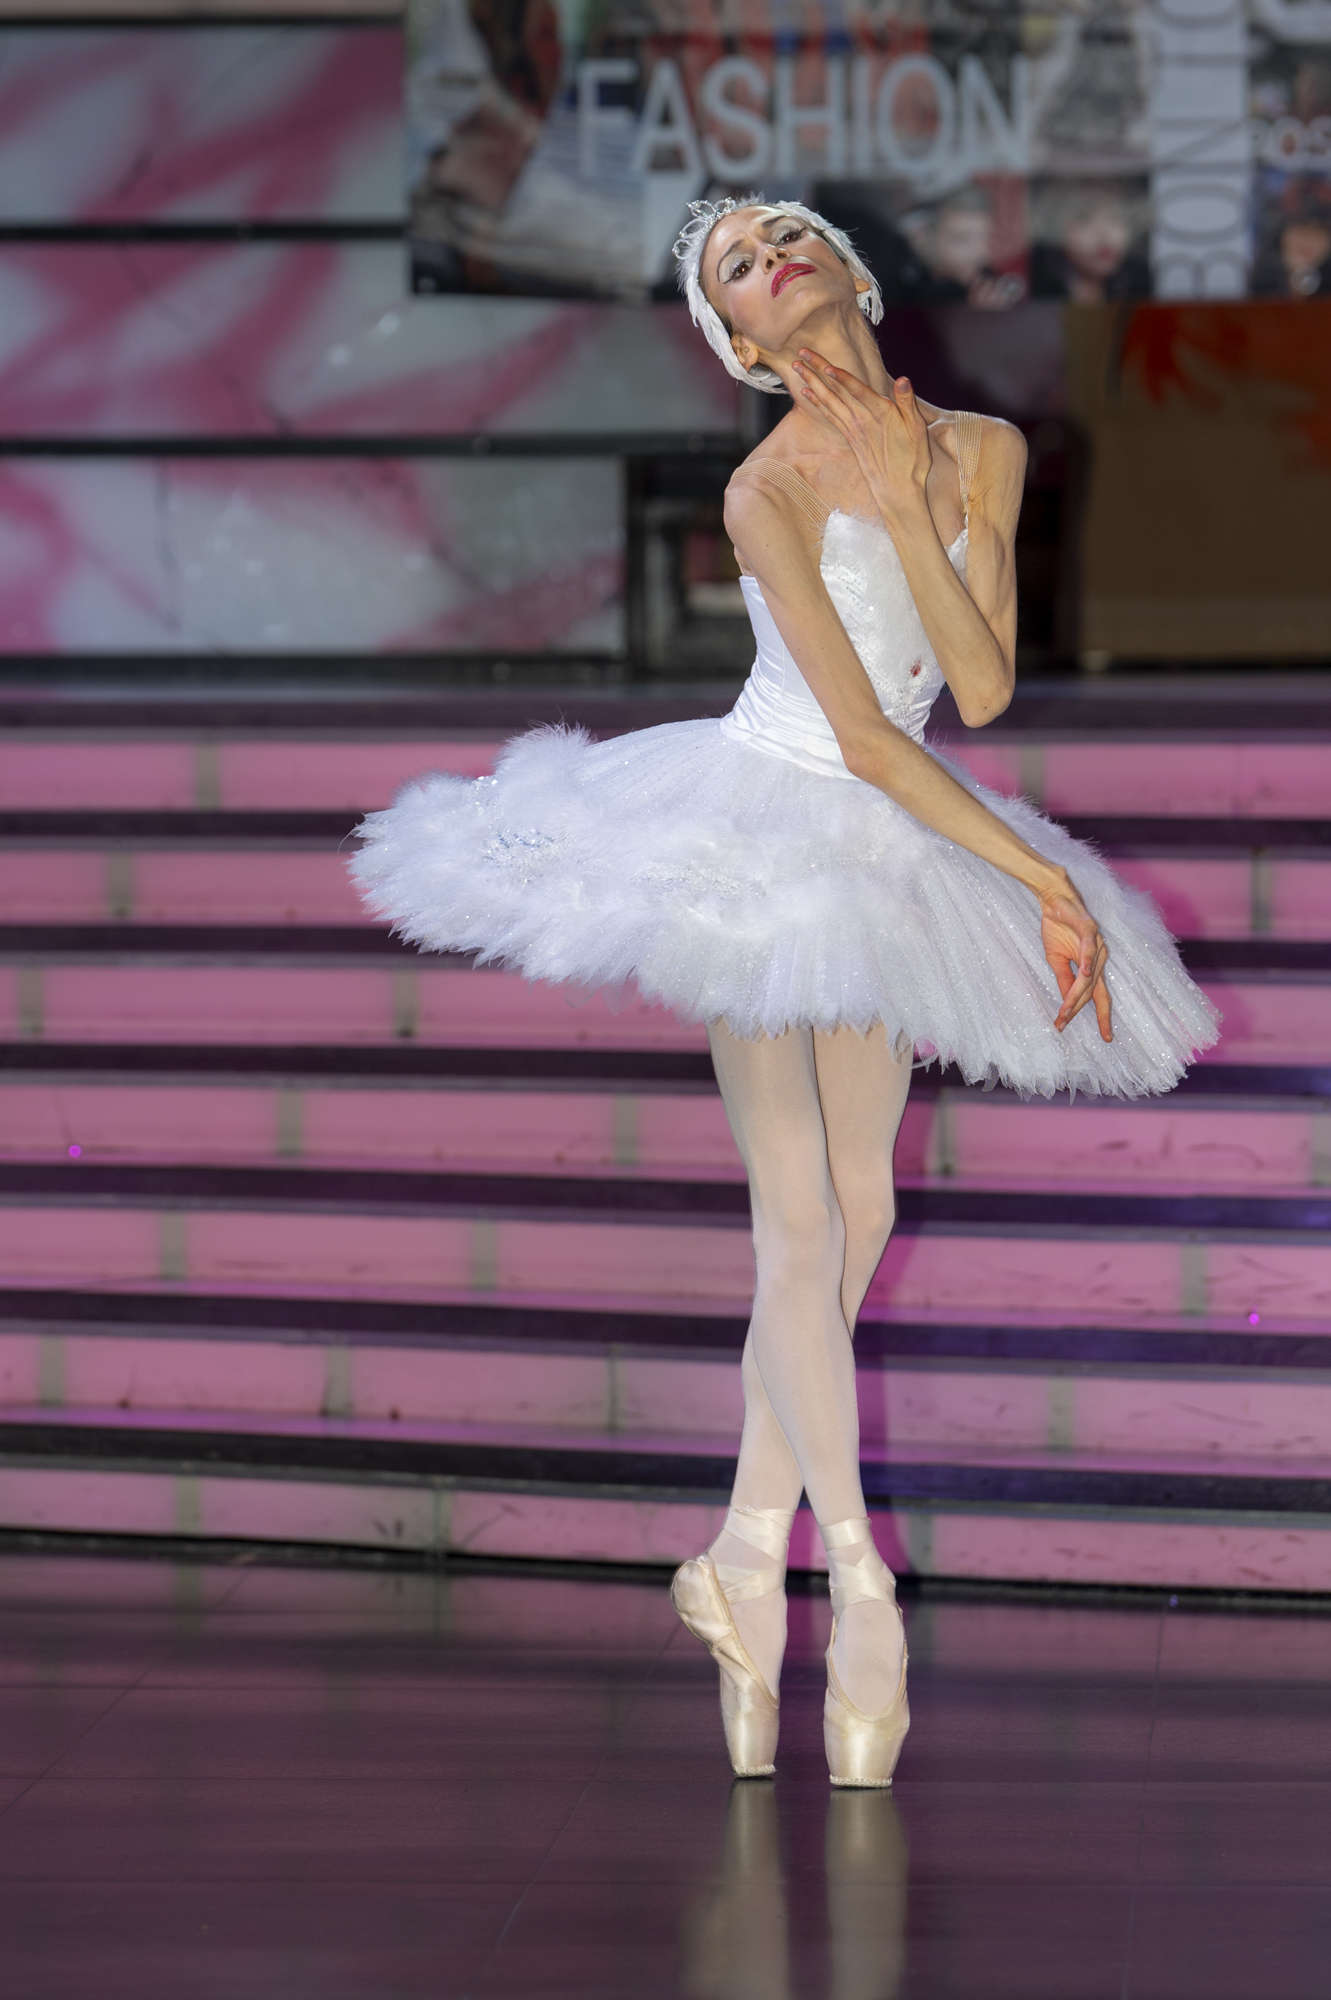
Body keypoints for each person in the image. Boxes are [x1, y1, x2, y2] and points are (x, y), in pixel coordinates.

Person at [345, 191, 1220, 1788]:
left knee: (866, 1208)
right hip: (761, 830)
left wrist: (911, 493)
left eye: (782, 235)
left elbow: (977, 690)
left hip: (890, 837)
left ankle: (743, 1556)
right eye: (736, 268)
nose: (771, 259)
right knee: (803, 1223)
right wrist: (1043, 885)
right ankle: (860, 1586)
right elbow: (864, 738)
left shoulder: (984, 448)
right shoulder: (766, 487)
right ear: (741, 345)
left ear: (853, 272)